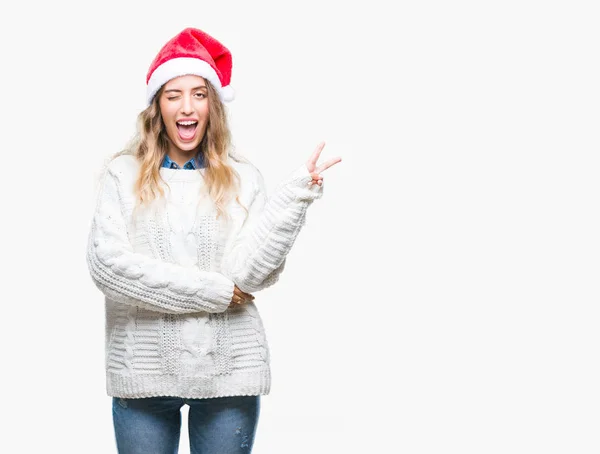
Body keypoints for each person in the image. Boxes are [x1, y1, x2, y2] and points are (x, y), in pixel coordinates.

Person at [86, 27, 341, 453]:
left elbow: (251, 276)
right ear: (157, 107)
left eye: (199, 94)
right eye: (174, 95)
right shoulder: (122, 174)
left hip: (230, 372)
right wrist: (216, 291)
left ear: (213, 106)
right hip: (143, 372)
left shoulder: (244, 178)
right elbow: (108, 267)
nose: (187, 107)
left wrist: (295, 197)